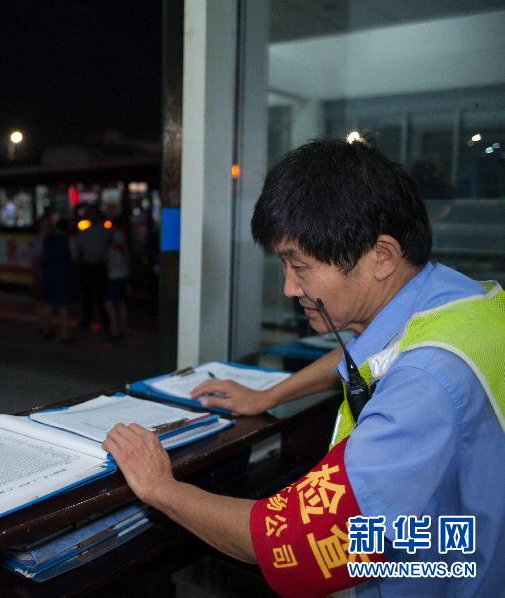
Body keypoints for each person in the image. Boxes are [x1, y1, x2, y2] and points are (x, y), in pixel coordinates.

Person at [104, 139, 504, 597]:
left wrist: (159, 487)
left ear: (383, 256)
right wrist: (269, 397)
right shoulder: (456, 298)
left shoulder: (425, 384)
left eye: (301, 266)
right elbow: (375, 349)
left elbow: (288, 542)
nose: (290, 287)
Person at [40, 217, 77, 342]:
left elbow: (43, 256)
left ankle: (46, 330)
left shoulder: (48, 239)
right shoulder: (68, 240)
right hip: (64, 275)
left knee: (49, 304)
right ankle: (65, 335)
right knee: (64, 306)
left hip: (50, 275)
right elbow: (74, 256)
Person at [74, 207, 111, 330]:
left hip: (97, 265)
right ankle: (91, 319)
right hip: (90, 266)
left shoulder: (102, 230)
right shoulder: (88, 231)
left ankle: (103, 319)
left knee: (98, 295)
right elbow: (79, 249)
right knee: (89, 294)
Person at [104, 216, 130, 341]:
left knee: (109, 302)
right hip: (121, 273)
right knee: (120, 302)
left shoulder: (117, 238)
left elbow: (119, 255)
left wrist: (110, 261)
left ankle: (115, 330)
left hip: (116, 274)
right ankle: (121, 329)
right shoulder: (121, 236)